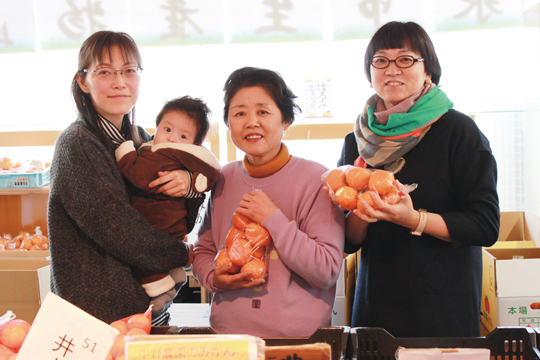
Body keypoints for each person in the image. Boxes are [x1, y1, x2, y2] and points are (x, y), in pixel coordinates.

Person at [335, 21, 500, 338]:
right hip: (375, 309)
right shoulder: (357, 142)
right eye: (380, 60)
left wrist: (411, 218)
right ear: (370, 73)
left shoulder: (459, 132)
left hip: (442, 310)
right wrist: (361, 211)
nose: (391, 69)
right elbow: (347, 240)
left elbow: (484, 225)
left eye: (406, 59)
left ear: (429, 71)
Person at [48, 31, 193, 326]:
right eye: (105, 72)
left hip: (144, 310)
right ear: (82, 81)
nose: (120, 82)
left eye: (129, 70)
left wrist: (187, 181)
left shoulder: (139, 138)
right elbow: (120, 231)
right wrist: (185, 253)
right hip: (99, 316)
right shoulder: (77, 142)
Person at [192, 67, 345, 338]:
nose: (251, 122)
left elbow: (326, 270)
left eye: (263, 112)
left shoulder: (315, 180)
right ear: (228, 123)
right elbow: (204, 250)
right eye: (239, 113)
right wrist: (214, 278)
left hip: (296, 342)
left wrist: (272, 219)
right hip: (228, 337)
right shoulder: (224, 177)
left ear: (286, 120)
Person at [115, 96, 221, 317]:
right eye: (167, 129)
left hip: (154, 226)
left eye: (183, 136)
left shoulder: (158, 156)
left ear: (195, 145)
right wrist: (192, 182)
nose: (172, 139)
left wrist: (125, 154)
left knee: (146, 266)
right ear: (157, 128)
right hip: (174, 228)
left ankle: (161, 290)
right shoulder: (151, 145)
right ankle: (175, 273)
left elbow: (139, 176)